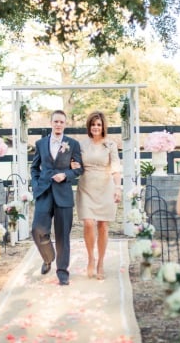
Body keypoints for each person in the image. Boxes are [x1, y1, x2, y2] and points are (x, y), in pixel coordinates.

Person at [31, 110, 83, 286]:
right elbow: (34, 167)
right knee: (37, 229)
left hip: (63, 194)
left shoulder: (73, 144)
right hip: (44, 192)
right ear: (51, 123)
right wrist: (36, 185)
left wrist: (66, 175)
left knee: (63, 235)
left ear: (65, 124)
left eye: (61, 122)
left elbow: (78, 168)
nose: (58, 124)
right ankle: (47, 258)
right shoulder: (40, 143)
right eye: (56, 121)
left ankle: (62, 271)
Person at [73, 111, 121, 280]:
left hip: (105, 187)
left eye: (99, 124)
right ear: (89, 126)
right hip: (86, 186)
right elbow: (75, 163)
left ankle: (100, 262)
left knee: (102, 225)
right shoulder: (81, 144)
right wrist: (73, 164)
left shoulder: (110, 144)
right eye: (93, 124)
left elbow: (115, 167)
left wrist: (118, 188)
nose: (95, 127)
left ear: (103, 127)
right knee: (88, 223)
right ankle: (90, 258)